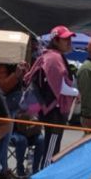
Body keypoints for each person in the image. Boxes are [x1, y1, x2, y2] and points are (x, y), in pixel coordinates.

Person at [24, 26, 76, 166]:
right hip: (54, 112)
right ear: (56, 40)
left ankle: (46, 176)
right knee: (51, 151)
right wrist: (77, 92)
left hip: (54, 110)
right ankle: (44, 178)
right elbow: (59, 87)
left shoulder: (53, 56)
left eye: (70, 38)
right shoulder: (53, 57)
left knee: (52, 148)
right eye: (65, 39)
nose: (69, 41)